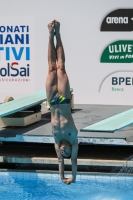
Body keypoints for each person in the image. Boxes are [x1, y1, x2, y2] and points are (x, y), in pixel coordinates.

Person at [46, 20, 78, 184]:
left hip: (52, 101)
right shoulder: (73, 138)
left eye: (63, 152)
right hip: (64, 101)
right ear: (71, 150)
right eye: (66, 152)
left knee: (51, 67)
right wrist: (72, 177)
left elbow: (60, 161)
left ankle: (50, 35)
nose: (63, 151)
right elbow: (72, 161)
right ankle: (58, 33)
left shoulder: (57, 142)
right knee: (61, 67)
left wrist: (61, 177)